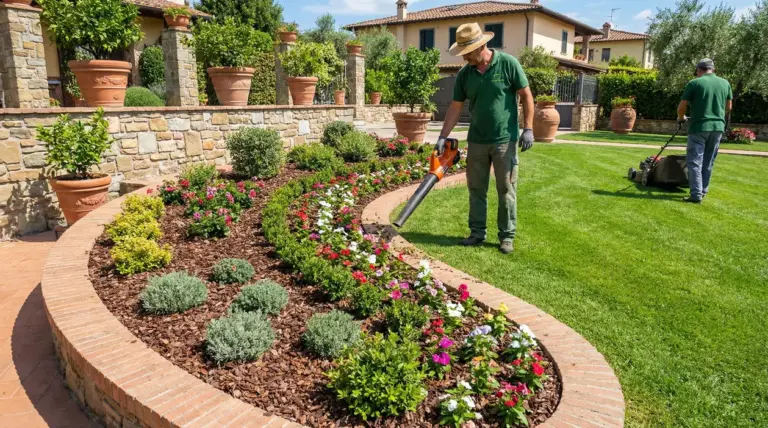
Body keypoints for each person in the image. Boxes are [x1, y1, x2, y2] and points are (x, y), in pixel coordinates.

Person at [435, 22, 534, 254]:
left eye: (467, 52)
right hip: (477, 141)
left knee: (506, 189)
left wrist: (527, 128)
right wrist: (443, 135)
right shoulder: (464, 74)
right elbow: (455, 106)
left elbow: (526, 96)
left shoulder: (508, 64)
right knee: (476, 189)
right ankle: (477, 232)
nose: (464, 58)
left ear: (482, 46)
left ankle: (506, 236)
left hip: (504, 140)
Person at [677, 58, 732, 203]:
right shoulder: (725, 83)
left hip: (699, 127)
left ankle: (695, 195)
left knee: (695, 162)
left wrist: (681, 118)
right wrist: (717, 116)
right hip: (718, 127)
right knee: (708, 162)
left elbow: (682, 107)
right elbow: (729, 107)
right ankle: (703, 191)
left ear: (699, 70)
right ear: (713, 70)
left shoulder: (695, 83)